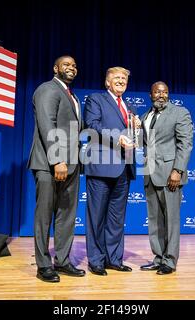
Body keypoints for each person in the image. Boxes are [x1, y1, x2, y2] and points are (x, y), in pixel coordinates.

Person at [27, 55, 85, 282]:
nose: (71, 67)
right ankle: (43, 266)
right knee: (44, 217)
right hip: (50, 164)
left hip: (71, 165)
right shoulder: (48, 89)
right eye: (66, 64)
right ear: (55, 68)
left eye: (74, 65)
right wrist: (56, 160)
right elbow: (46, 124)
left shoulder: (73, 96)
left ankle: (62, 261)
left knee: (66, 216)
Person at [83, 66, 139, 276]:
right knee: (96, 217)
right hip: (101, 166)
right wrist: (117, 138)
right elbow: (92, 125)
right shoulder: (96, 99)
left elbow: (134, 137)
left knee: (116, 219)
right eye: (116, 77)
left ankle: (114, 259)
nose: (120, 80)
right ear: (107, 82)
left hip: (124, 169)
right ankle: (96, 260)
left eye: (124, 78)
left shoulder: (129, 106)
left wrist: (137, 128)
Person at [139, 81, 193, 275]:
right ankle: (158, 257)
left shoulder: (179, 113)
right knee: (154, 221)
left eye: (165, 92)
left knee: (171, 220)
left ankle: (170, 261)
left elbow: (185, 144)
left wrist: (177, 170)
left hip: (171, 175)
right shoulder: (145, 116)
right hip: (150, 174)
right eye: (157, 92)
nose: (161, 95)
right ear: (151, 94)